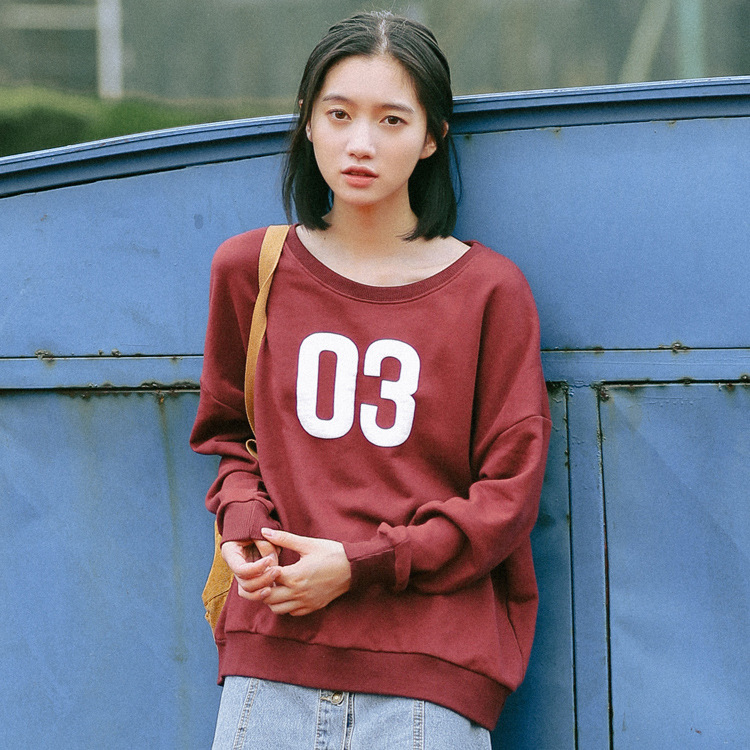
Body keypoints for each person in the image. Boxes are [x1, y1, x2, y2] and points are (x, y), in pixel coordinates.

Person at [190, 10, 551, 749]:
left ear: (432, 136)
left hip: (428, 679)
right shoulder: (251, 270)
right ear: (307, 122)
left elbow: (508, 495)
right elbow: (229, 438)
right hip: (271, 665)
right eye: (339, 114)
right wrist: (244, 528)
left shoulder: (489, 290)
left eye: (392, 119)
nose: (361, 143)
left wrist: (362, 565)